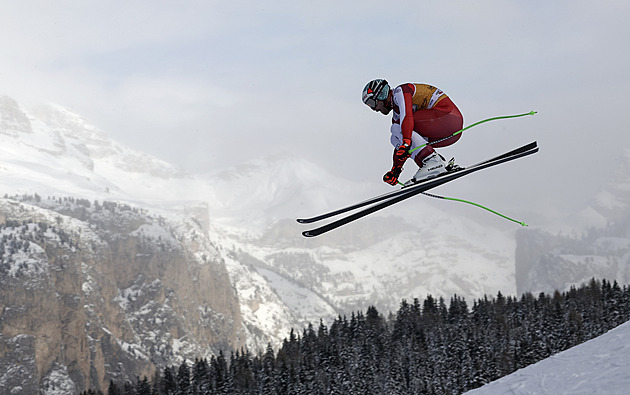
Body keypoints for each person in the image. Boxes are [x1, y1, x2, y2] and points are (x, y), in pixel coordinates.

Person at [362, 79, 464, 186]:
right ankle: (433, 165)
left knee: (398, 128)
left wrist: (406, 143)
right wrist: (396, 170)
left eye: (372, 103)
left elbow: (407, 117)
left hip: (449, 118)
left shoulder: (400, 91)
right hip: (445, 132)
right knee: (394, 137)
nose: (373, 109)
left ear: (381, 95)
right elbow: (401, 139)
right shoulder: (397, 113)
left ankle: (433, 162)